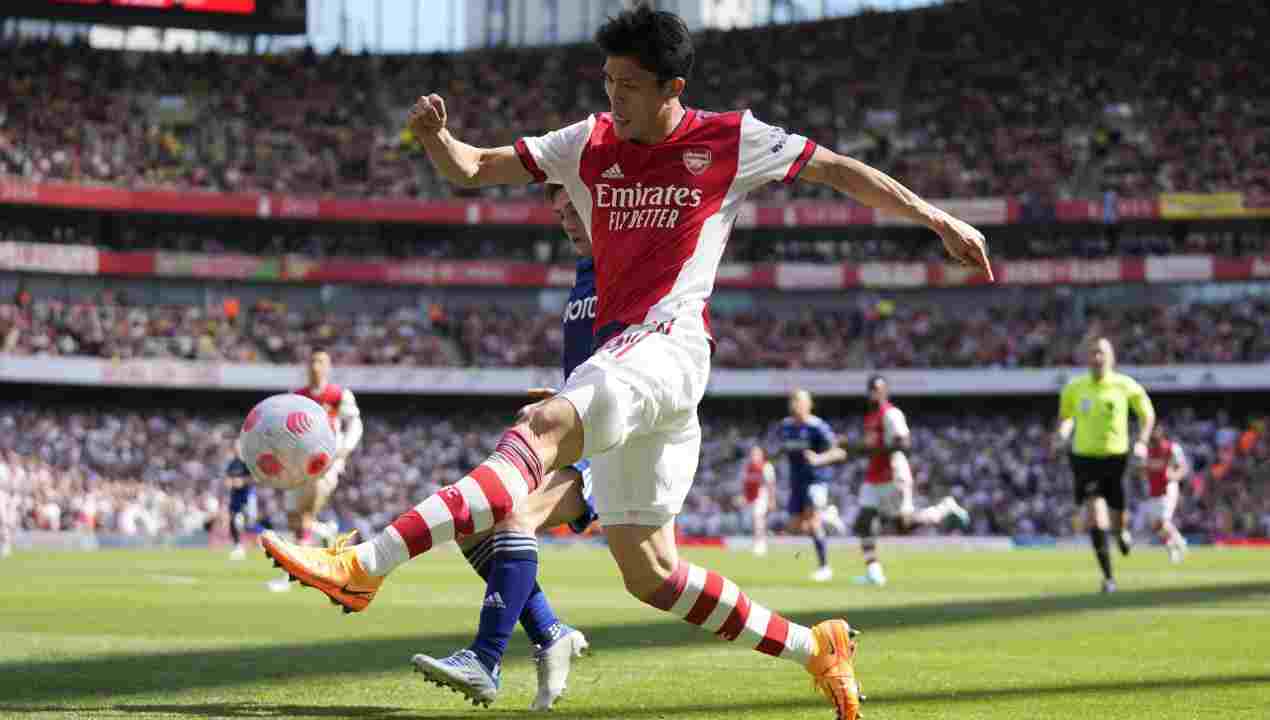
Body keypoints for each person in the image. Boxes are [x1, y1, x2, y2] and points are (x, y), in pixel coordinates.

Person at [260, 8, 991, 719]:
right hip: (630, 360)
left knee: (539, 431)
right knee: (651, 574)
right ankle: (816, 648)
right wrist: (435, 137)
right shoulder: (589, 139)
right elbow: (473, 167)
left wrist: (936, 218)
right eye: (608, 81)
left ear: (674, 87)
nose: (614, 97)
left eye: (630, 85)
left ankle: (363, 567)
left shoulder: (731, 138)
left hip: (670, 344)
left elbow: (837, 170)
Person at [412, 184, 595, 711]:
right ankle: (550, 632)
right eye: (559, 212)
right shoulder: (585, 272)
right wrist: (562, 398)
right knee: (474, 521)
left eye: (575, 208)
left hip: (617, 433)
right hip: (579, 424)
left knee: (514, 515)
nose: (567, 220)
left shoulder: (626, 265)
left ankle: (485, 659)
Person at [1053, 337, 1155, 593]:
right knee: (1094, 515)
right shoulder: (1074, 388)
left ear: (1111, 358)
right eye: (1093, 353)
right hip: (1084, 459)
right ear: (1087, 358)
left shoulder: (1125, 385)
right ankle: (1108, 578)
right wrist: (1063, 432)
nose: (1097, 358)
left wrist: (1142, 442)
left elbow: (1147, 415)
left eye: (1102, 353)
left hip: (1115, 459)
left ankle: (1120, 532)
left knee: (1117, 517)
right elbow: (1066, 417)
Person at [845, 375, 968, 587]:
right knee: (863, 522)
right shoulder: (870, 417)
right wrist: (853, 447)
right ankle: (874, 572)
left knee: (904, 525)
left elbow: (904, 444)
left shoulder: (891, 414)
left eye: (879, 389)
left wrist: (871, 449)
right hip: (873, 476)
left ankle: (944, 510)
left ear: (885, 392)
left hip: (893, 474)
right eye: (872, 389)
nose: (875, 393)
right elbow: (869, 447)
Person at [267, 349, 364, 591]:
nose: (315, 365)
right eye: (312, 361)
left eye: (320, 361)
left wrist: (344, 449)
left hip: (326, 463)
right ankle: (324, 532)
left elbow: (355, 423)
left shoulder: (338, 395)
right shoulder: (297, 396)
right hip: (300, 463)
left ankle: (292, 575)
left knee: (305, 514)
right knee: (295, 518)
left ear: (328, 366)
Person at [778, 390, 846, 581]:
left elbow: (839, 452)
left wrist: (819, 459)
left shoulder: (817, 427)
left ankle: (825, 568)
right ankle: (827, 516)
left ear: (809, 404)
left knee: (813, 522)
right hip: (796, 482)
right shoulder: (785, 426)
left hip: (815, 480)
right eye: (793, 401)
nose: (796, 405)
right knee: (795, 526)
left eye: (800, 401)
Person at [1142, 423, 1189, 564]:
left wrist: (1174, 476)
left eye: (1155, 431)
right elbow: (1142, 469)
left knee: (1163, 521)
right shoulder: (1146, 450)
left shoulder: (1172, 448)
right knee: (1156, 525)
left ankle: (1181, 544)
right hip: (1153, 490)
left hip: (1168, 488)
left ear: (1161, 432)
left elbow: (1183, 468)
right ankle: (1172, 548)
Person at [739, 445, 776, 556]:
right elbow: (744, 483)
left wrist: (772, 500)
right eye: (752, 454)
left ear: (762, 455)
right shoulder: (747, 466)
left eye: (756, 454)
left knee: (758, 518)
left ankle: (760, 544)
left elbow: (771, 485)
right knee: (754, 521)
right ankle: (759, 542)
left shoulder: (766, 466)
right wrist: (743, 496)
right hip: (750, 498)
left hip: (761, 495)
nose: (754, 456)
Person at [225, 455, 257, 561]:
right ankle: (238, 546)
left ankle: (264, 540)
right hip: (235, 496)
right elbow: (227, 479)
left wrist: (242, 481)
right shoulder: (233, 463)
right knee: (234, 520)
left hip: (247, 496)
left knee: (249, 523)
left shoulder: (248, 462)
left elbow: (254, 478)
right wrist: (230, 482)